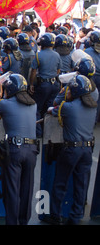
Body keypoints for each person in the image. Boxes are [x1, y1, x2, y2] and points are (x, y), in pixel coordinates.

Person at [0, 73, 38, 225]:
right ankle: (24, 221)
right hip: (32, 149)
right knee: (27, 190)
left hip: (15, 149)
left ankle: (12, 222)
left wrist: (1, 96)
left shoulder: (4, 104)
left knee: (12, 190)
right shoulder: (33, 104)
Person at [45, 75, 97, 225]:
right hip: (87, 150)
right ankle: (75, 216)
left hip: (71, 150)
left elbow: (52, 108)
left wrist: (63, 96)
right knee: (81, 185)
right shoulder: (93, 106)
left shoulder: (67, 107)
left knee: (60, 183)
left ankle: (56, 215)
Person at [28, 33, 61, 137]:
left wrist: (31, 84)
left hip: (43, 84)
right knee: (50, 108)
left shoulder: (39, 54)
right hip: (54, 84)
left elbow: (33, 71)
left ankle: (38, 132)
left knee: (37, 108)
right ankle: (49, 131)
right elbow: (58, 71)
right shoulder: (57, 54)